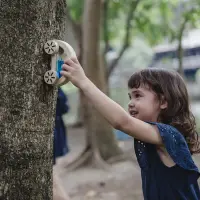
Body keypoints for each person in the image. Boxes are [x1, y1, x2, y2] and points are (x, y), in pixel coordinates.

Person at [60, 58, 200, 200]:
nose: (131, 103)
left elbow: (122, 122)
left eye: (138, 95)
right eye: (130, 97)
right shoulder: (152, 136)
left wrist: (84, 82)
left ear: (163, 102)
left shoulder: (171, 135)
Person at [53, 88, 70, 165]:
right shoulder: (59, 90)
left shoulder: (59, 90)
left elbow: (65, 108)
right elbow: (65, 108)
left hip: (57, 123)